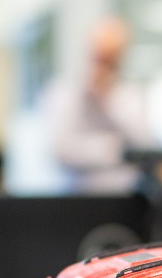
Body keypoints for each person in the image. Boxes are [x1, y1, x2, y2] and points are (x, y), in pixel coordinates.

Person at [39, 17, 153, 192]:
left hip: (125, 197)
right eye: (100, 57)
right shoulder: (65, 93)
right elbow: (62, 150)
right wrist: (113, 148)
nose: (104, 65)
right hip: (77, 197)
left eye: (111, 59)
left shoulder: (130, 96)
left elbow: (144, 149)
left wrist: (108, 103)